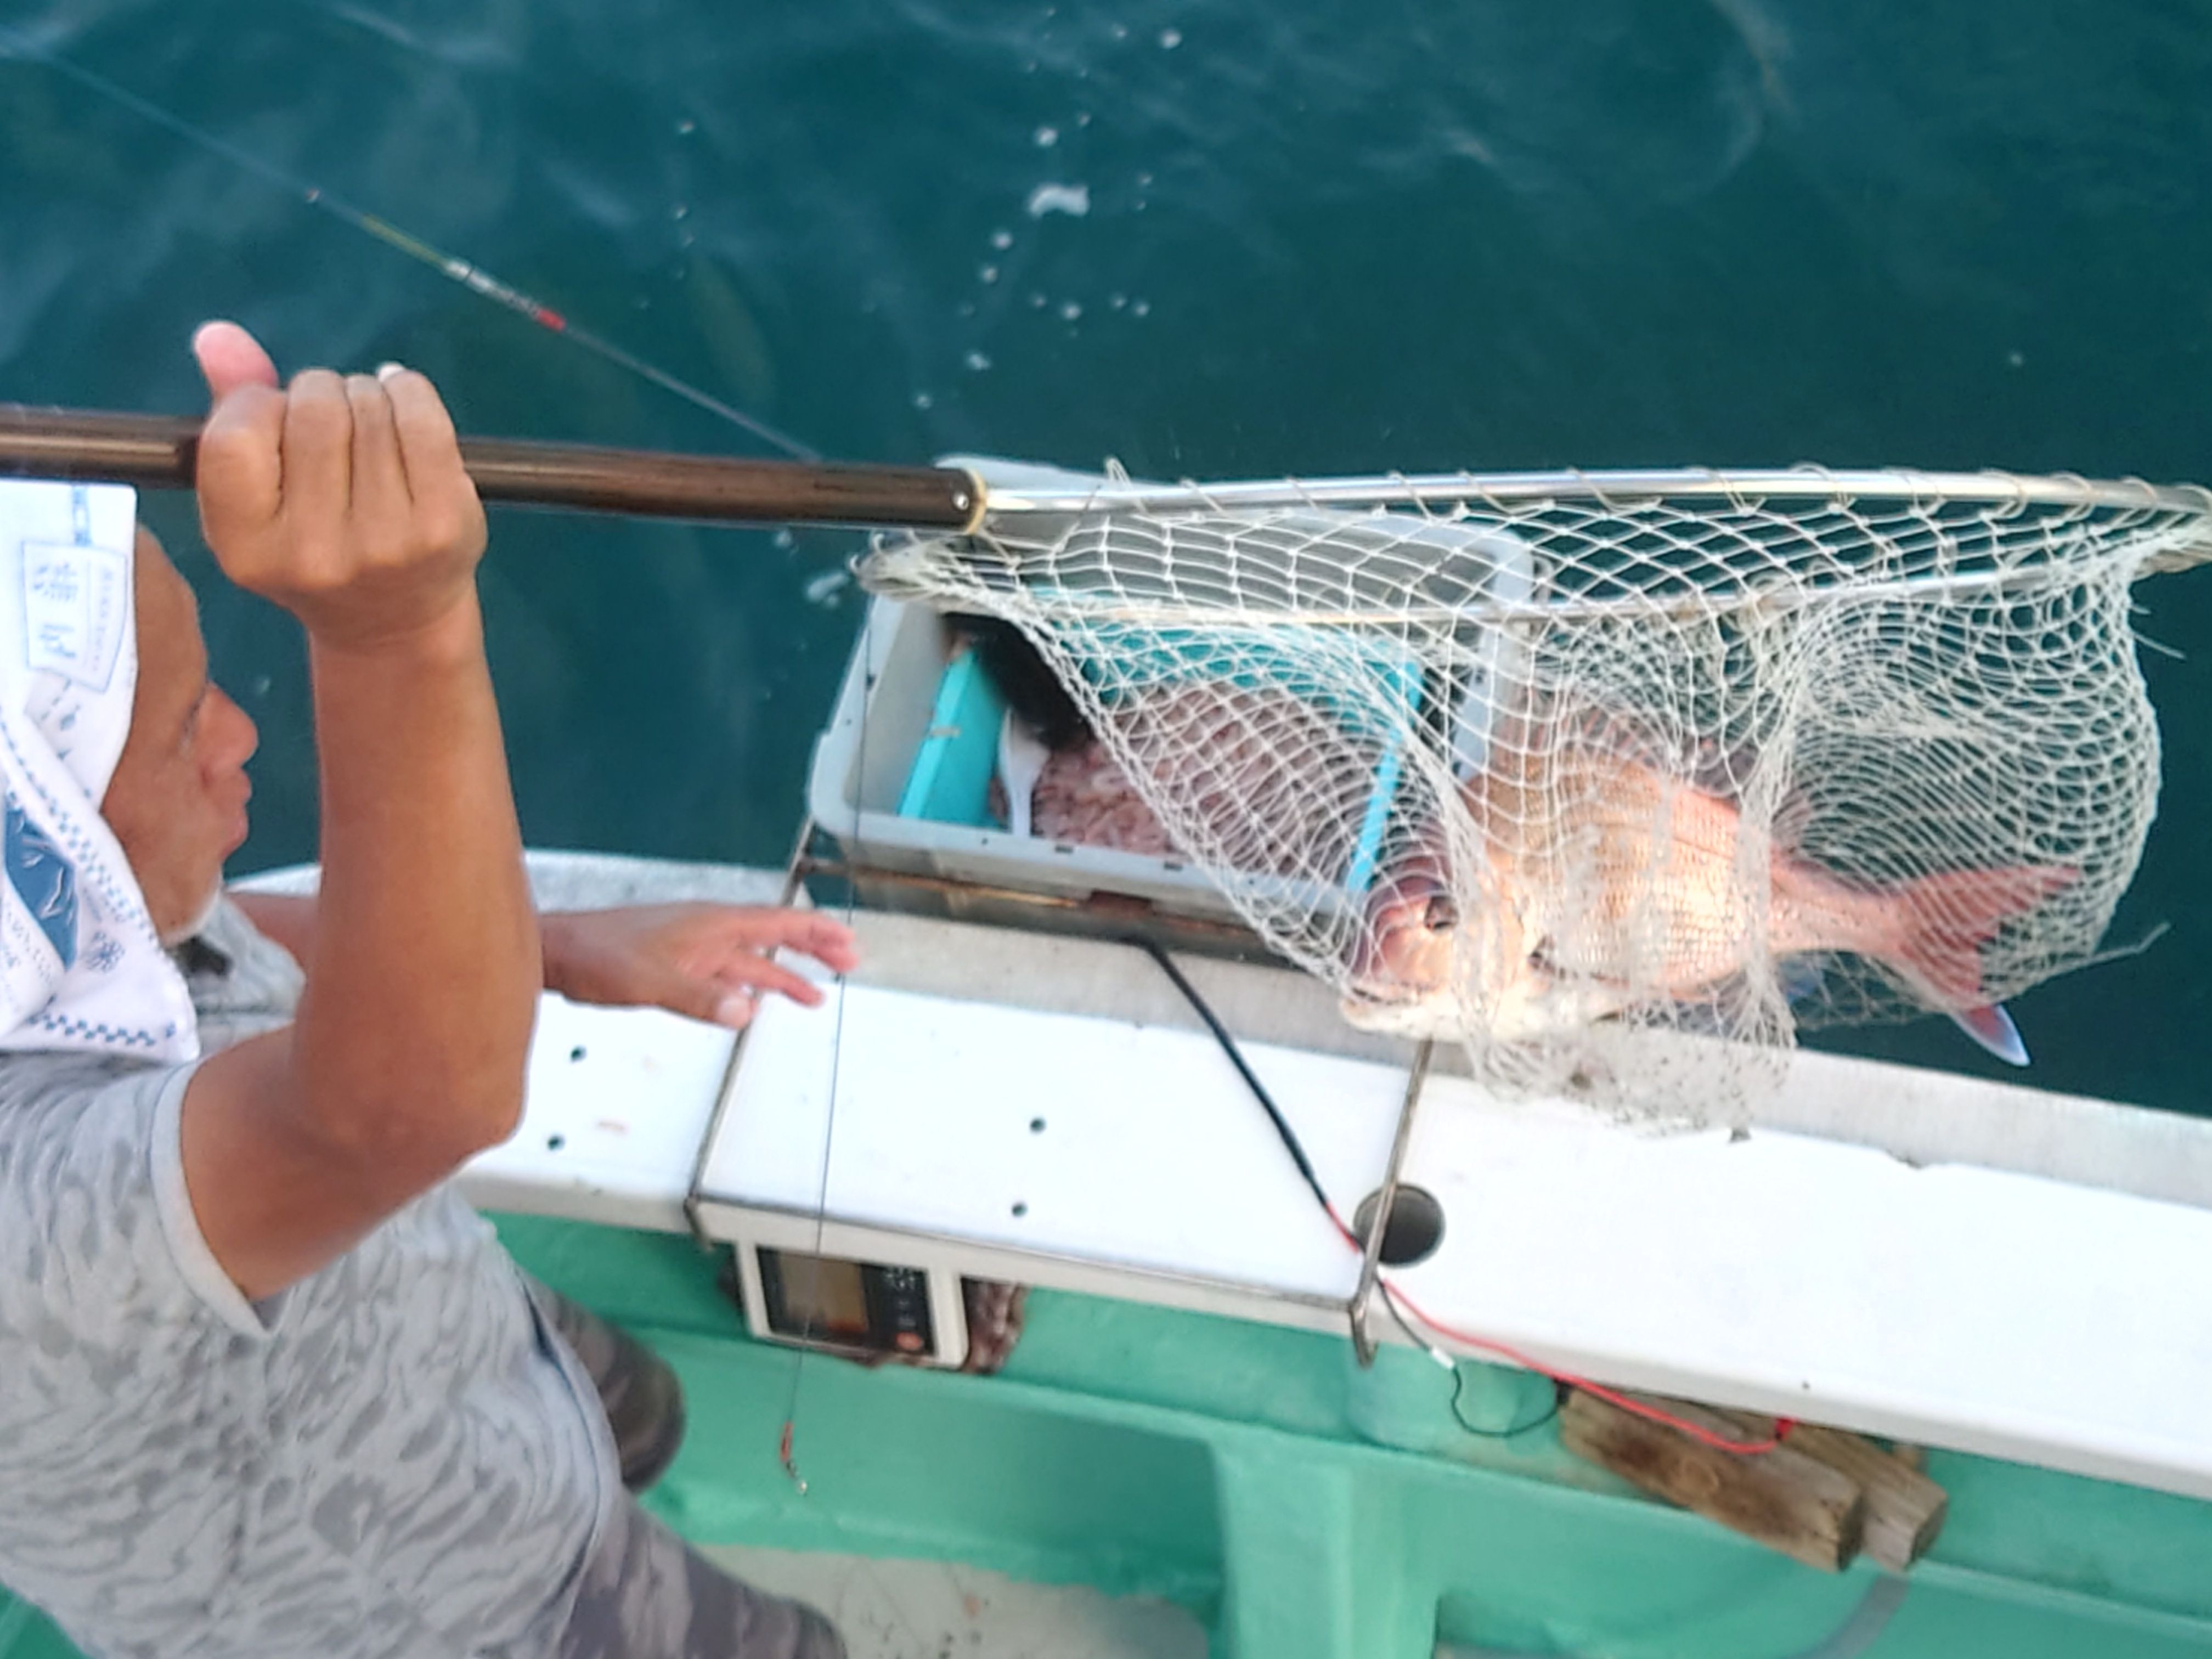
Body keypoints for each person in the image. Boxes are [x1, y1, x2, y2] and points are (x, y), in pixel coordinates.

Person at [0, 320, 857, 1658]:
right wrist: (396, 634)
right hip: (449, 1612)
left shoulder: (68, 919)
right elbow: (402, 1109)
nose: (239, 733)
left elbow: (202, 930)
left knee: (641, 1415)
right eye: (176, 731)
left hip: (459, 1328)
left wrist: (559, 945)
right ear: (36, 846)